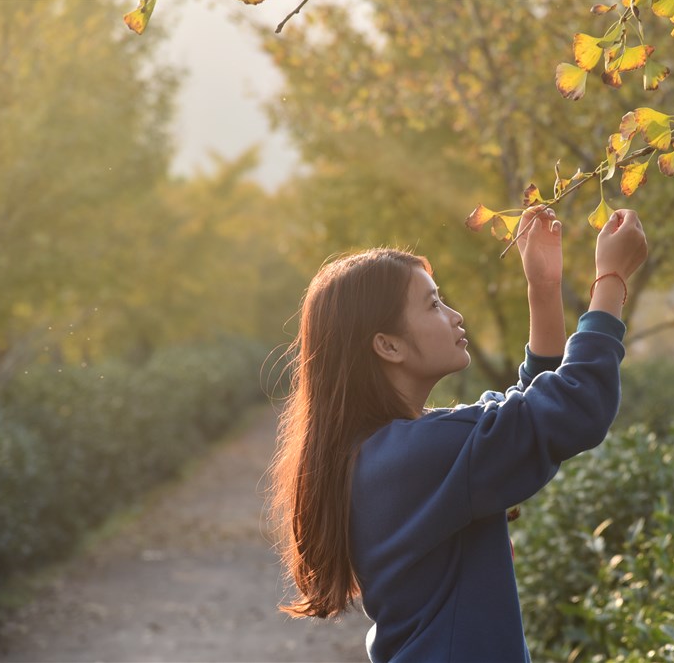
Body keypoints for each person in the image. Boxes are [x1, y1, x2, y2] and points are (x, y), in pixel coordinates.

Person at [269, 204, 648, 662]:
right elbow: (574, 407)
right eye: (433, 304)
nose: (454, 315)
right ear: (387, 345)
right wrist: (611, 281)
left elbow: (526, 407)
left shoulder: (386, 452)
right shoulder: (418, 455)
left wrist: (543, 287)